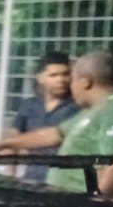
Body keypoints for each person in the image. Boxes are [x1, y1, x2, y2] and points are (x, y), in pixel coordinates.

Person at [0, 51, 113, 198]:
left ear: (85, 82)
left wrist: (94, 205)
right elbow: (55, 134)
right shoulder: (94, 111)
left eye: (71, 79)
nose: (69, 86)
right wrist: (2, 144)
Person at [9, 51, 81, 183]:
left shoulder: (78, 108)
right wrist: (11, 177)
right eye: (53, 75)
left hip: (63, 182)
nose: (61, 80)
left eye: (65, 74)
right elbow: (13, 143)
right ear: (40, 78)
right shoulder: (28, 106)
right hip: (31, 179)